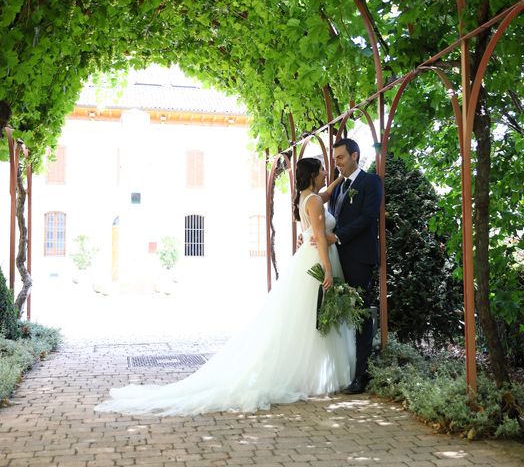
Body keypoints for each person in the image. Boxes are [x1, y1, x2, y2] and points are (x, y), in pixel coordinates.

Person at [94, 158, 355, 416]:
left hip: (304, 261)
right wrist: (328, 269)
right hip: (318, 260)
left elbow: (325, 194)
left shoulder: (305, 198)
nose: (325, 173)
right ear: (312, 175)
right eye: (321, 170)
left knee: (304, 318)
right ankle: (312, 374)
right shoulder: (315, 202)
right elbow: (320, 237)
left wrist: (341, 178)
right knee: (314, 317)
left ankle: (307, 372)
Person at [326, 138, 383, 394]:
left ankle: (362, 375)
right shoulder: (338, 188)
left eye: (340, 157)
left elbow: (368, 217)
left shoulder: (371, 182)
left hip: (360, 258)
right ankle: (342, 370)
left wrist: (338, 236)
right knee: (337, 316)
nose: (336, 162)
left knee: (360, 316)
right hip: (337, 259)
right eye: (335, 157)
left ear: (355, 156)